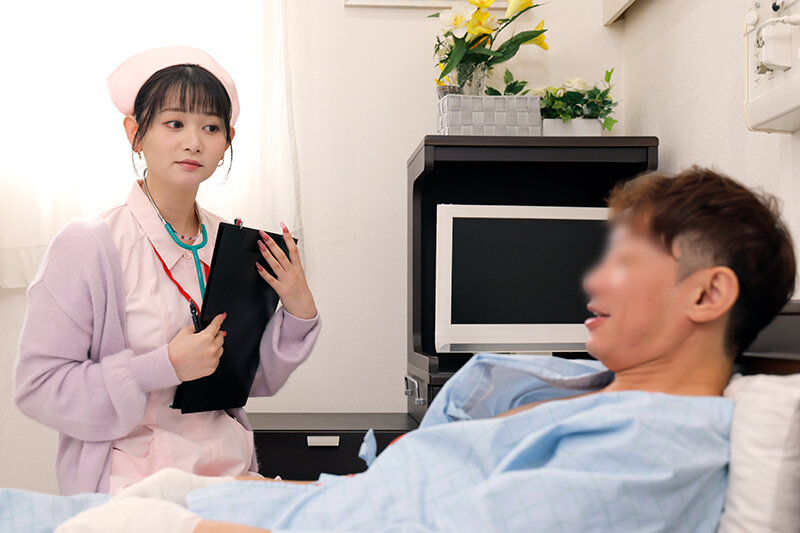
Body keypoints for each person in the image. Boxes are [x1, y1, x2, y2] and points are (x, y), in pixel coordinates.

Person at [9, 166, 795, 532]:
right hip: (295, 505)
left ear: (707, 294)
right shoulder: (586, 390)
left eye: (624, 260)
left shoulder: (655, 450)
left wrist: (191, 528)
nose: (592, 280)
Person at [13, 46, 322, 496]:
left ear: (227, 142)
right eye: (174, 123)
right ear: (135, 133)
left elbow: (248, 381)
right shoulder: (90, 244)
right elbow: (39, 388)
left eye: (211, 127)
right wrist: (162, 367)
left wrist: (297, 312)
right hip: (131, 484)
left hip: (228, 471)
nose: (193, 141)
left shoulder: (233, 245)